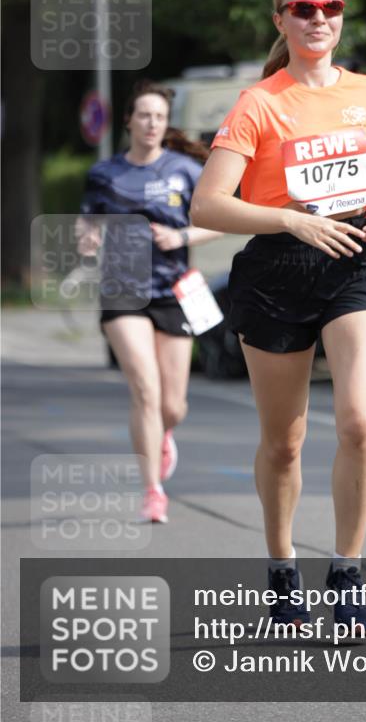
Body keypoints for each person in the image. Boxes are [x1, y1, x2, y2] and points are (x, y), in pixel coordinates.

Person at [191, 0, 366, 635]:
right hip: (279, 271)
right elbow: (209, 204)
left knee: (358, 422)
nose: (319, 18)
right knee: (284, 443)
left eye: (330, 6)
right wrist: (290, 219)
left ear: (341, 15)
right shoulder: (260, 102)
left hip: (358, 262)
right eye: (303, 8)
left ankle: (347, 571)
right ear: (281, 19)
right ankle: (282, 568)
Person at [77, 80, 221, 524]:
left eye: (159, 116)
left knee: (172, 404)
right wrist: (87, 239)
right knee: (145, 388)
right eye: (144, 115)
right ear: (129, 121)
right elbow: (86, 223)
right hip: (123, 291)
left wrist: (180, 235)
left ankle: (164, 432)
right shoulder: (106, 174)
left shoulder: (184, 170)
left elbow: (219, 219)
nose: (152, 123)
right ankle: (152, 491)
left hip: (174, 292)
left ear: (165, 122)